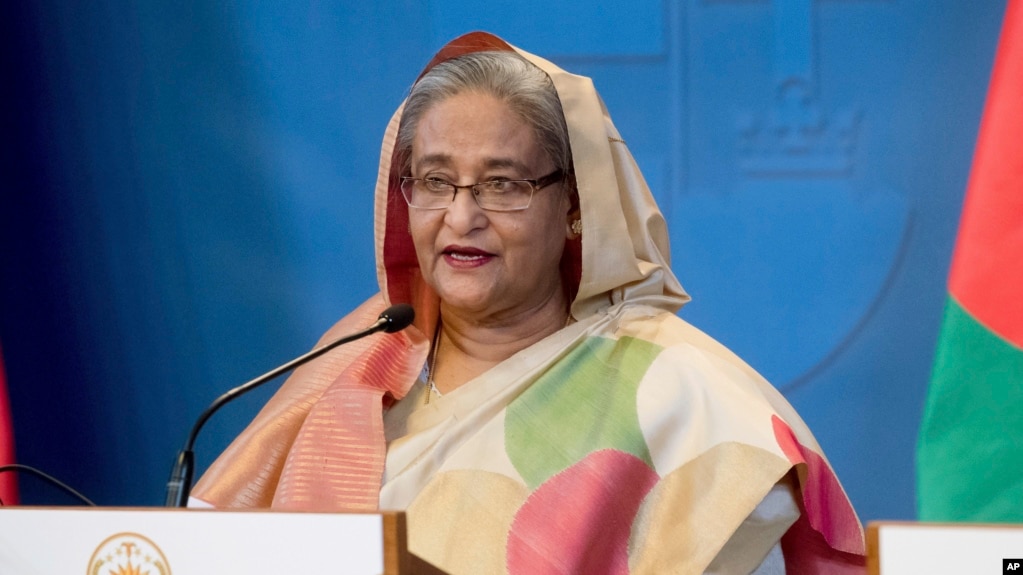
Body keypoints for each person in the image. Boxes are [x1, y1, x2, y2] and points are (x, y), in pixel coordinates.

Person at [191, 32, 866, 574]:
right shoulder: (360, 357)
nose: (461, 216)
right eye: (433, 180)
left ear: (575, 205)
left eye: (502, 184)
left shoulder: (682, 394)